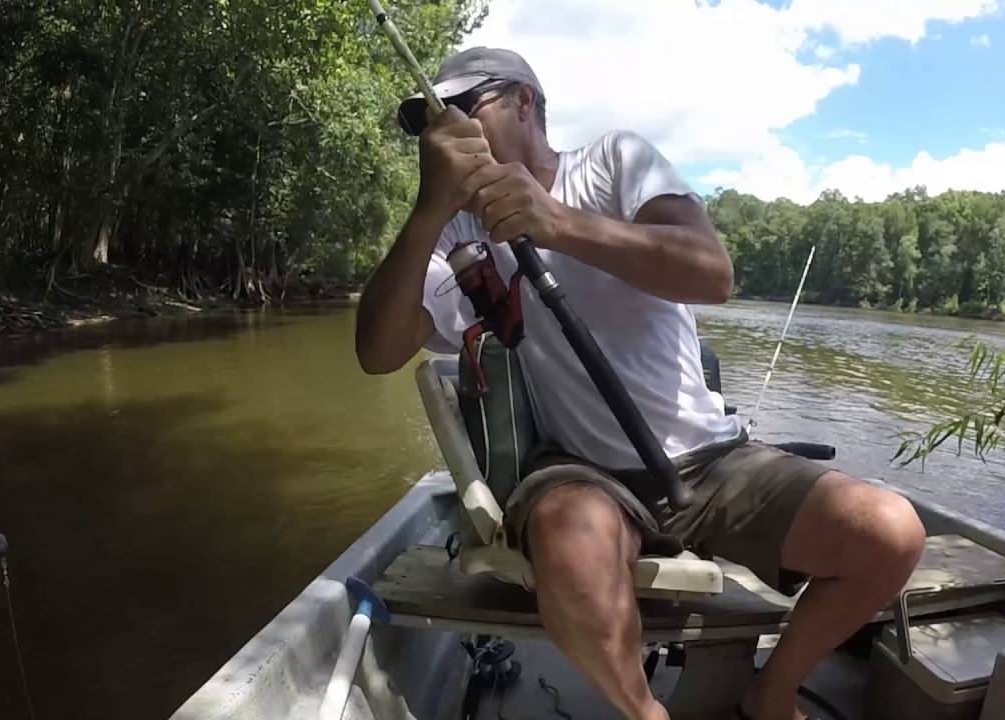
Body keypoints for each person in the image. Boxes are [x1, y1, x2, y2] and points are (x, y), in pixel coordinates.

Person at [355, 46, 926, 720]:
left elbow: (712, 273)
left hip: (714, 461)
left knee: (888, 532)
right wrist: (427, 210)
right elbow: (378, 352)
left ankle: (772, 694)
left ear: (523, 102)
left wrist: (556, 224)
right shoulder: (456, 232)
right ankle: (645, 711)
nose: (444, 128)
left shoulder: (613, 161)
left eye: (461, 106)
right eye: (430, 121)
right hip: (586, 471)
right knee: (568, 536)